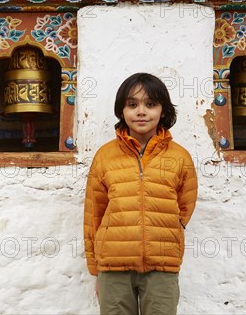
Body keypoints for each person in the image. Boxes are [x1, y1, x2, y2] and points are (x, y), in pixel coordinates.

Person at [83, 72, 198, 315]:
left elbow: (185, 207)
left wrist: (167, 229)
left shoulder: (179, 157)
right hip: (113, 265)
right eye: (132, 104)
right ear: (122, 111)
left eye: (150, 104)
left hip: (162, 265)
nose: (141, 111)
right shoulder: (105, 157)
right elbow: (94, 214)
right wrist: (96, 268)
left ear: (163, 111)